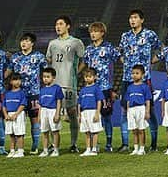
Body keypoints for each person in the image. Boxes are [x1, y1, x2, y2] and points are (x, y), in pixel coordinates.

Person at [119, 10, 161, 152]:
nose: (132, 20)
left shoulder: (150, 34)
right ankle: (126, 144)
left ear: (142, 20)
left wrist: (151, 61)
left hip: (144, 80)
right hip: (127, 78)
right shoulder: (125, 36)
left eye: (135, 17)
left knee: (150, 111)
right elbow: (120, 52)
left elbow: (161, 49)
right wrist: (125, 63)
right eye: (131, 18)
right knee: (125, 110)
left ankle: (153, 143)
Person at [46, 16, 86, 153]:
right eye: (56, 24)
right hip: (55, 85)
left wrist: (75, 73)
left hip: (69, 83)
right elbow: (49, 61)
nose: (58, 26)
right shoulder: (52, 43)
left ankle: (74, 144)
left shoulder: (76, 42)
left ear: (68, 26)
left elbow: (83, 60)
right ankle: (53, 144)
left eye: (61, 24)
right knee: (53, 113)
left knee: (72, 113)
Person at [84, 22, 121, 153]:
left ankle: (109, 143)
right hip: (91, 88)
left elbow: (119, 59)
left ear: (102, 33)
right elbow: (85, 65)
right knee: (92, 116)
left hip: (105, 87)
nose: (93, 34)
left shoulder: (109, 47)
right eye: (91, 32)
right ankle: (95, 144)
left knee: (106, 116)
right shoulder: (88, 49)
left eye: (96, 31)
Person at [9, 32, 47, 154]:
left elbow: (46, 71)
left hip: (34, 92)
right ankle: (16, 148)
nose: (23, 43)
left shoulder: (39, 56)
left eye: (26, 41)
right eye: (22, 41)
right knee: (17, 120)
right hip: (18, 93)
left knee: (34, 119)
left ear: (32, 43)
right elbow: (9, 72)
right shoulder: (15, 57)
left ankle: (35, 146)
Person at [37, 66, 63, 158]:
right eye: (44, 77)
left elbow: (59, 101)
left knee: (55, 131)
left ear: (53, 78)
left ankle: (56, 149)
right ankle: (45, 150)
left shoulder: (57, 88)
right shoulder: (42, 89)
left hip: (53, 110)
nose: (45, 79)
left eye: (48, 77)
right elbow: (40, 104)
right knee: (44, 131)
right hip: (44, 111)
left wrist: (57, 113)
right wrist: (39, 115)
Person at [125, 65, 151, 156]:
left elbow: (148, 100)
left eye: (137, 73)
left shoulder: (145, 87)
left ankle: (142, 148)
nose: (134, 75)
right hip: (132, 109)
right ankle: (135, 148)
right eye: (133, 73)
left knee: (141, 129)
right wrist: (128, 111)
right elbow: (128, 100)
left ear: (142, 75)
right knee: (134, 130)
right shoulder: (130, 87)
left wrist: (147, 111)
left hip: (141, 108)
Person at [77, 68, 103, 156]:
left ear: (94, 77)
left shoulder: (96, 88)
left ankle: (94, 149)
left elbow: (99, 101)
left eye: (90, 76)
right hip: (84, 112)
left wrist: (97, 113)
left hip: (93, 111)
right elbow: (79, 103)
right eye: (86, 77)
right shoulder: (83, 90)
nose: (88, 78)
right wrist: (79, 114)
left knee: (94, 131)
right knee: (87, 131)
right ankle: (88, 149)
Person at [3, 73, 28, 158]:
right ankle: (12, 150)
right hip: (9, 115)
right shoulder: (7, 93)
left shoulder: (22, 93)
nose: (17, 82)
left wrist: (16, 114)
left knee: (19, 133)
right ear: (10, 82)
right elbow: (4, 106)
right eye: (15, 80)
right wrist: (6, 115)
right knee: (11, 134)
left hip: (19, 114)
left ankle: (20, 150)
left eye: (19, 80)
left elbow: (23, 104)